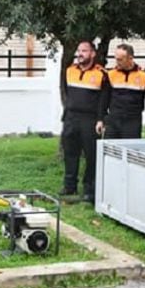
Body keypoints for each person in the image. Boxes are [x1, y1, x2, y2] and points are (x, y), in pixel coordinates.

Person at [60, 40, 109, 202]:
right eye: (79, 51)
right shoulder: (69, 71)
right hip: (71, 118)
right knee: (70, 153)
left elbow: (104, 99)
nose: (80, 54)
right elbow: (67, 92)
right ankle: (69, 186)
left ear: (92, 54)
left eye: (84, 51)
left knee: (91, 155)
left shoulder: (101, 73)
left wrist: (100, 119)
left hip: (90, 120)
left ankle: (89, 188)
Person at [104, 43, 145, 138]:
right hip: (113, 120)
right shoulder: (111, 74)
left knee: (130, 151)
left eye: (120, 59)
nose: (117, 62)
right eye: (115, 58)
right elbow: (103, 98)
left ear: (130, 58)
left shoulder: (144, 75)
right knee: (110, 151)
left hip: (132, 121)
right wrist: (101, 119)